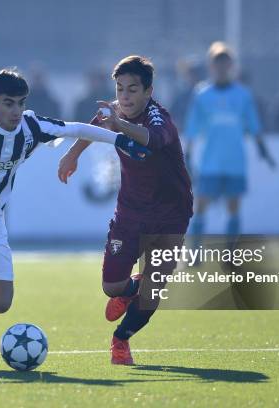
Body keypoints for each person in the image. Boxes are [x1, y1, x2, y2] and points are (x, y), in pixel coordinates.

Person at [0, 69, 149, 370]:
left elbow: (75, 128)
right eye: (8, 103)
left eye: (20, 103)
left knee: (0, 302)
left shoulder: (30, 126)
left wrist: (119, 140)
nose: (15, 111)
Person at [58, 56, 193, 365]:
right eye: (120, 89)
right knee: (111, 287)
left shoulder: (159, 118)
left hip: (171, 213)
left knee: (155, 286)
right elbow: (95, 128)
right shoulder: (115, 113)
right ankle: (129, 287)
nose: (125, 97)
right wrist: (72, 154)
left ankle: (121, 340)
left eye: (133, 89)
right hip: (131, 212)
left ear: (148, 91)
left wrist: (119, 124)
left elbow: (154, 140)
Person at [185, 42, 274, 245]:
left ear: (231, 65)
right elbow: (192, 128)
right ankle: (195, 251)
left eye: (225, 63)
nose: (221, 67)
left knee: (234, 207)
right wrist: (187, 154)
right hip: (210, 162)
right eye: (217, 63)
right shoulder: (202, 94)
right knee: (201, 206)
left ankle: (230, 252)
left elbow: (254, 125)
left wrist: (263, 150)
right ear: (211, 66)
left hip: (235, 162)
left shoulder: (243, 95)